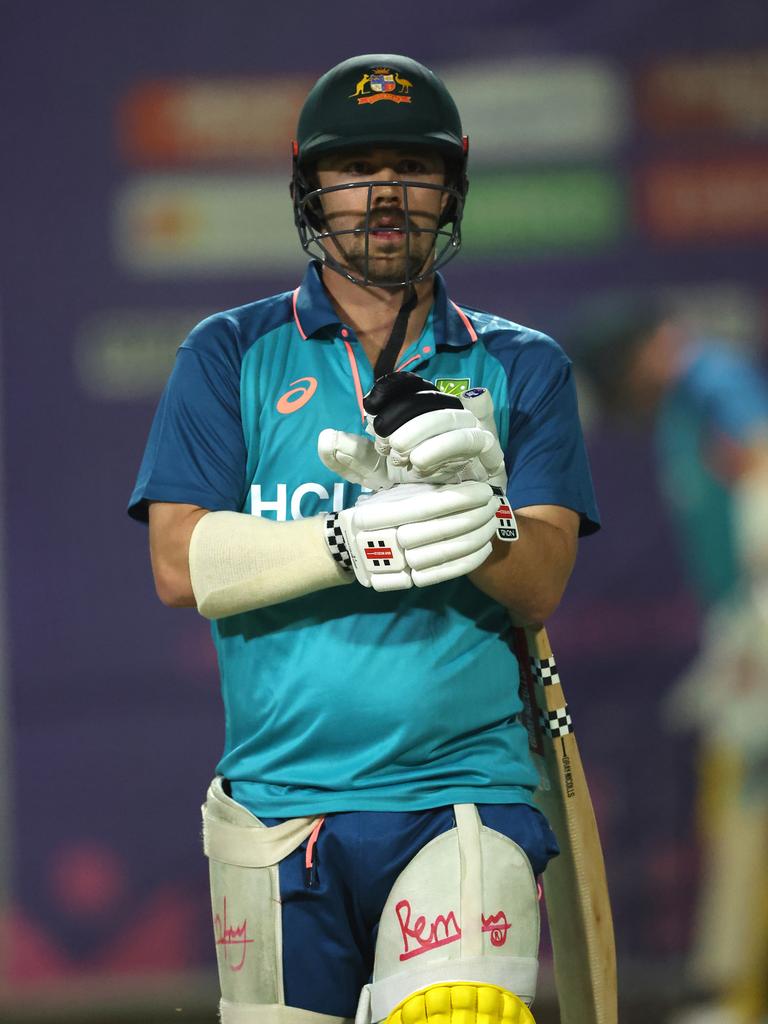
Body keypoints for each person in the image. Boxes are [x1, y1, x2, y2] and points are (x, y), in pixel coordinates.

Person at [129, 54, 600, 1024]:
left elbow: (543, 577)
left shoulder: (522, 365)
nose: (384, 195)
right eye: (354, 169)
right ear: (311, 187)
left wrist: (478, 512)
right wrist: (348, 540)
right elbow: (179, 563)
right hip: (276, 805)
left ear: (451, 186)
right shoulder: (229, 351)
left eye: (413, 168)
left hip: (462, 790)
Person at [570, 296, 768, 1024]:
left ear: (652, 349)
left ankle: (732, 992)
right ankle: (732, 989)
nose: (637, 399)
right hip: (739, 629)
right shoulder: (688, 402)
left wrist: (756, 625)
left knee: (744, 797)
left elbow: (764, 479)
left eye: (630, 379)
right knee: (739, 799)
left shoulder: (713, 380)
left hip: (757, 631)